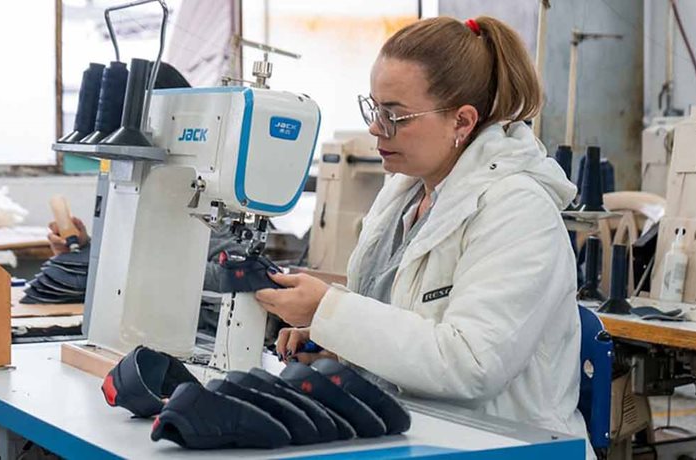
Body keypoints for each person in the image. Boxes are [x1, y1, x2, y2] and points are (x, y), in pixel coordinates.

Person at [254, 16, 592, 454]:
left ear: (462, 122)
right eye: (374, 109)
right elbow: (404, 322)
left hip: (503, 443)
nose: (376, 128)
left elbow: (470, 364)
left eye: (395, 115)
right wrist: (339, 347)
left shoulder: (518, 210)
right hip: (418, 431)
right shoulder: (404, 194)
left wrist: (328, 310)